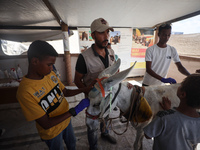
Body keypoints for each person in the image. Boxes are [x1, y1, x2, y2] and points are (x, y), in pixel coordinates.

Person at [16, 40, 92, 150]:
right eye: (49, 64)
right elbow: (46, 124)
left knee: (72, 144)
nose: (52, 68)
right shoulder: (25, 92)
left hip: (66, 121)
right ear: (35, 61)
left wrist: (85, 89)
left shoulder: (49, 74)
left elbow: (65, 92)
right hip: (52, 132)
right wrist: (74, 111)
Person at [74, 18, 117, 150]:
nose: (106, 36)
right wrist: (88, 93)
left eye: (107, 33)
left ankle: (105, 133)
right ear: (92, 35)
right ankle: (93, 146)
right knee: (92, 124)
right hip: (93, 99)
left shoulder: (111, 53)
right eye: (101, 33)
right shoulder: (84, 58)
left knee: (106, 115)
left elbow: (114, 71)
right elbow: (76, 80)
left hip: (107, 96)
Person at [144, 73, 200, 150]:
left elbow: (148, 135)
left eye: (180, 85)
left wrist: (164, 113)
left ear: (183, 94)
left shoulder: (163, 117)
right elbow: (180, 122)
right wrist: (168, 111)